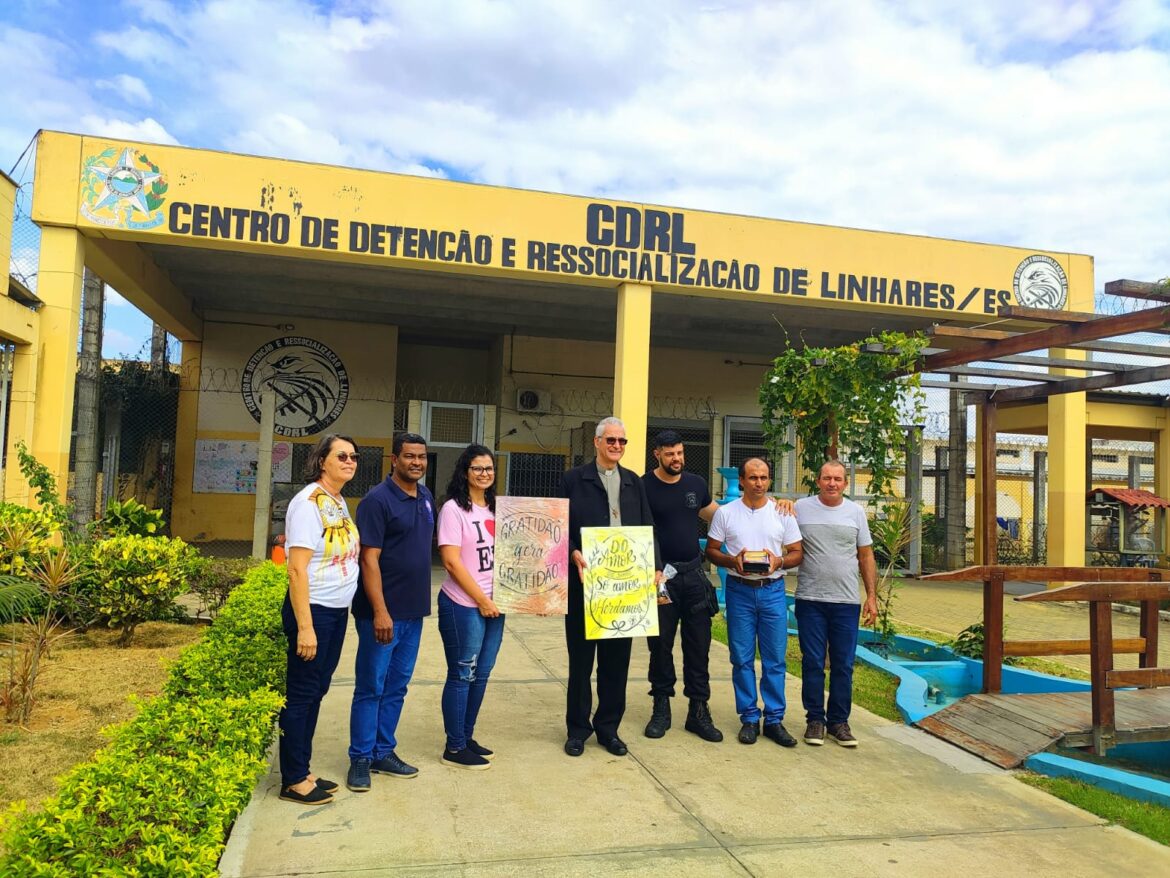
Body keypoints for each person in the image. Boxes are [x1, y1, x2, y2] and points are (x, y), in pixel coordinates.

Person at [560, 416, 659, 758]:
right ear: (597, 443)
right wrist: (572, 549)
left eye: (622, 441)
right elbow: (559, 528)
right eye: (611, 440)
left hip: (623, 590)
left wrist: (655, 568)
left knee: (616, 665)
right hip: (584, 585)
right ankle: (577, 730)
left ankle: (608, 729)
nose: (617, 446)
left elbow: (648, 527)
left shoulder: (634, 482)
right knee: (581, 663)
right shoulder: (574, 480)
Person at [346, 432, 435, 791]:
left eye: (422, 457)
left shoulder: (426, 496)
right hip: (381, 615)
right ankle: (360, 759)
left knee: (397, 686)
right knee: (371, 686)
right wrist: (381, 612)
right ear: (394, 459)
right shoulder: (376, 501)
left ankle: (384, 751)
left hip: (414, 613)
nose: (417, 462)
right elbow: (369, 559)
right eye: (410, 456)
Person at [278, 434, 361, 805]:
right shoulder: (307, 503)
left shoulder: (337, 502)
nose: (349, 461)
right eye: (341, 455)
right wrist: (306, 627)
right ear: (321, 461)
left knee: (316, 692)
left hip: (335, 611)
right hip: (314, 613)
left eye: (354, 457)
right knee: (301, 695)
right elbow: (297, 570)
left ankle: (303, 769)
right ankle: (293, 779)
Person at [705, 458, 803, 747]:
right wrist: (731, 560)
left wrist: (779, 561)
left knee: (774, 659)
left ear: (769, 480)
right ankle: (749, 717)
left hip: (773, 591)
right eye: (753, 477)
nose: (758, 483)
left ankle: (774, 719)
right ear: (742, 480)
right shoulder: (726, 513)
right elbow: (711, 550)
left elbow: (797, 552)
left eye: (764, 477)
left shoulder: (781, 513)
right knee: (742, 658)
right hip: (740, 590)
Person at [641, 430, 723, 742]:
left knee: (698, 646)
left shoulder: (696, 484)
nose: (676, 458)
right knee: (659, 646)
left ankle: (698, 711)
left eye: (680, 453)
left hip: (693, 576)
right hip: (659, 579)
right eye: (670, 453)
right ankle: (661, 708)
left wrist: (766, 507)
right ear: (657, 455)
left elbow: (718, 515)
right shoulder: (643, 486)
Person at [794, 459, 878, 748]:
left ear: (845, 483)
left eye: (838, 479)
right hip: (810, 599)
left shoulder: (855, 513)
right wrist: (779, 501)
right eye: (826, 478)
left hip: (845, 601)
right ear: (817, 481)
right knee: (813, 662)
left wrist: (871, 596)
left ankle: (839, 722)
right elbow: (777, 519)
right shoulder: (800, 508)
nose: (832, 483)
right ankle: (815, 720)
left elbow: (866, 556)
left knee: (843, 664)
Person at [436, 444, 504, 770]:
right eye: (477, 468)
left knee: (482, 673)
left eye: (489, 468)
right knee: (463, 673)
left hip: (496, 605)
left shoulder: (496, 509)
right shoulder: (453, 509)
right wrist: (481, 600)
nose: (484, 474)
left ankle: (466, 735)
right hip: (464, 605)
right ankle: (454, 746)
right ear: (465, 471)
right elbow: (451, 562)